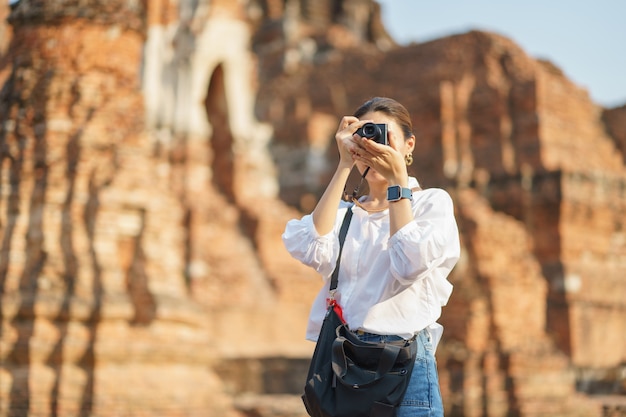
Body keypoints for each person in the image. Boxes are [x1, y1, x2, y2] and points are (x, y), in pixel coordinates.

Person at [282, 97, 460, 416]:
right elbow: (309, 248)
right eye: (365, 136)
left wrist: (397, 183)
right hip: (344, 366)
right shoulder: (345, 214)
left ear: (409, 145)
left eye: (383, 137)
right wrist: (344, 164)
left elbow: (409, 265)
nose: (374, 146)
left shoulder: (431, 204)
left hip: (407, 370)